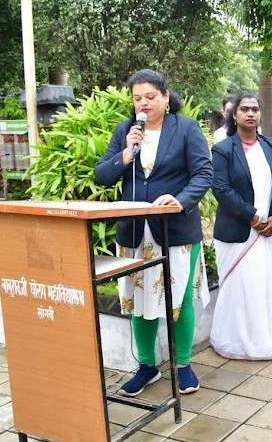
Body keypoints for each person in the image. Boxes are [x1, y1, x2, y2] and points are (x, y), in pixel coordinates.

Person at [95, 69, 212, 395]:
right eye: (137, 98)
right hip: (134, 233)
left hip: (174, 229)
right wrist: (125, 153)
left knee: (180, 300)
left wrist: (180, 200)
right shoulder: (125, 132)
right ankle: (147, 366)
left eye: (149, 97)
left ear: (165, 96)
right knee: (137, 300)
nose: (143, 103)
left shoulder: (185, 128)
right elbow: (102, 176)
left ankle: (183, 365)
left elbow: (203, 173)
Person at [209, 92, 272, 359]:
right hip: (238, 232)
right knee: (239, 289)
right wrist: (253, 217)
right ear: (234, 115)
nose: (251, 113)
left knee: (264, 288)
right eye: (245, 109)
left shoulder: (271, 146)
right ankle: (232, 343)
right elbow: (220, 189)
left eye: (255, 109)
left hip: (268, 231)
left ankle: (262, 340)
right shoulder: (223, 149)